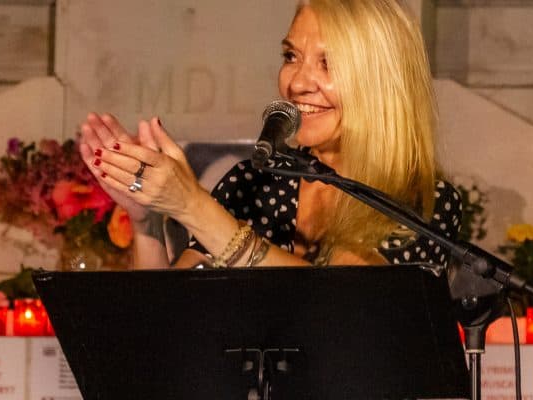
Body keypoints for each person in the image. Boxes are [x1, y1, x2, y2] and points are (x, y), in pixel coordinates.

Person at [77, 0, 461, 269]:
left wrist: (192, 205)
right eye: (291, 57)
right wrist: (146, 222)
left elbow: (338, 306)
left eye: (328, 63)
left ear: (384, 82)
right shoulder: (254, 183)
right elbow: (168, 321)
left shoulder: (421, 200)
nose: (297, 83)